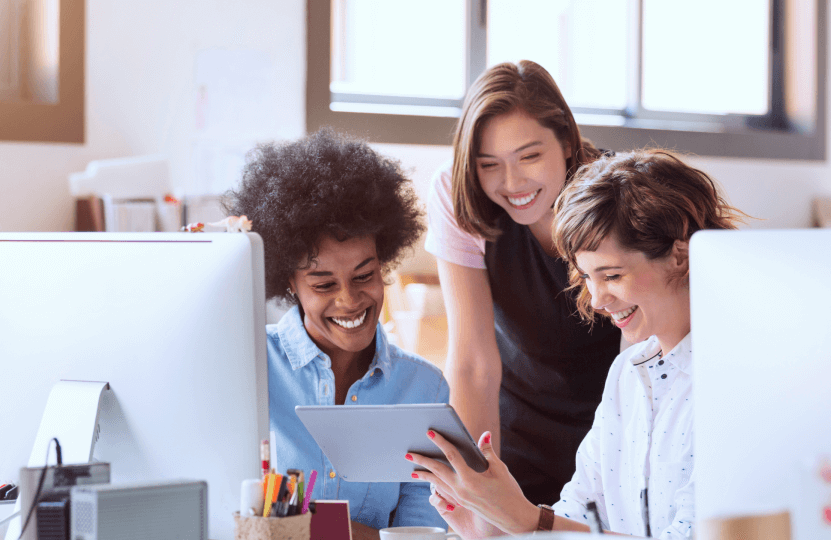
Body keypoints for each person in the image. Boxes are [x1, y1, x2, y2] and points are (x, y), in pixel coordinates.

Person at [409, 149, 746, 537]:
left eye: (613, 275)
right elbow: (579, 515)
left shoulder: (734, 381)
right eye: (587, 277)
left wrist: (528, 520)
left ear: (680, 257)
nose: (599, 300)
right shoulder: (628, 374)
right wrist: (493, 527)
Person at [224, 129, 450, 538]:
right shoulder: (247, 363)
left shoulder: (423, 388)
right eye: (323, 284)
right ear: (289, 282)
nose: (349, 300)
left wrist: (308, 527)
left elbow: (424, 530)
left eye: (364, 275)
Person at [424, 60, 621, 503]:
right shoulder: (456, 197)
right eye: (488, 164)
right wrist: (475, 489)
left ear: (568, 143)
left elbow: (642, 357)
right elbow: (473, 362)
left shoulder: (618, 195)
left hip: (615, 427)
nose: (512, 183)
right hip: (519, 433)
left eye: (530, 156)